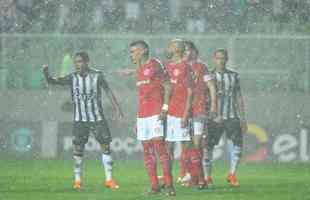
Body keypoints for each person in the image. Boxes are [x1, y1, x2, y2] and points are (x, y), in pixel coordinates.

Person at [42, 51, 123, 190]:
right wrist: (46, 74)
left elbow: (108, 91)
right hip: (80, 120)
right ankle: (78, 181)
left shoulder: (97, 75)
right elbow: (52, 81)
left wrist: (117, 108)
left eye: (79, 62)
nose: (77, 65)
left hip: (97, 118)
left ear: (87, 62)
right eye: (75, 62)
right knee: (78, 150)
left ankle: (109, 180)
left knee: (105, 146)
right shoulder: (72, 77)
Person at [118, 40, 175, 196]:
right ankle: (155, 186)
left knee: (160, 149)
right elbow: (142, 95)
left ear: (143, 51)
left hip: (156, 113)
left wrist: (165, 108)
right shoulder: (139, 69)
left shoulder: (155, 64)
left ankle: (169, 185)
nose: (131, 55)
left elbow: (168, 85)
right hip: (143, 115)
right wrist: (138, 118)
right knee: (147, 151)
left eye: (133, 51)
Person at [203, 48, 247, 187]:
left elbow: (238, 97)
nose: (220, 61)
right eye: (218, 58)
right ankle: (207, 177)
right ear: (214, 59)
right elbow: (204, 97)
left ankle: (232, 174)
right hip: (213, 117)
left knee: (238, 145)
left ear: (226, 59)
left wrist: (243, 117)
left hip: (231, 115)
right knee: (208, 147)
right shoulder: (208, 75)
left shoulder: (234, 76)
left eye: (223, 58)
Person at [164, 39, 205, 189]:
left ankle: (200, 179)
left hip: (182, 113)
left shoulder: (186, 67)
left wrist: (186, 114)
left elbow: (190, 93)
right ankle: (167, 181)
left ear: (177, 49)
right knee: (167, 147)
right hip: (170, 112)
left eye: (172, 45)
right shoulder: (167, 66)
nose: (169, 47)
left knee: (188, 146)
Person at [177, 40, 217, 187]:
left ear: (194, 51)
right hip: (181, 111)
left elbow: (211, 87)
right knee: (185, 144)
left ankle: (199, 177)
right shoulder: (178, 67)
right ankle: (189, 175)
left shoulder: (202, 67)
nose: (186, 53)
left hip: (198, 109)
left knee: (197, 144)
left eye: (189, 50)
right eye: (184, 50)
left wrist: (213, 106)